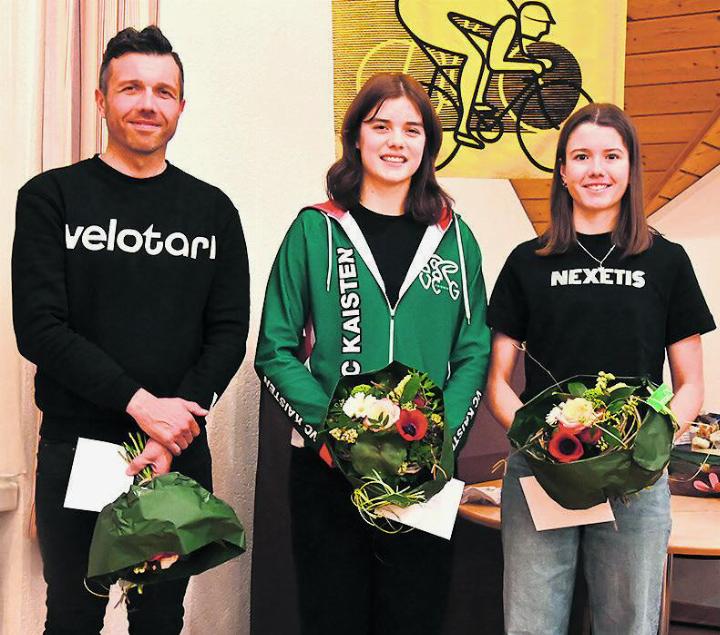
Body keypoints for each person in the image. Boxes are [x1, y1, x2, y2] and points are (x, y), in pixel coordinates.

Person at [12, 26, 249, 634]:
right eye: (131, 88)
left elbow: (227, 333)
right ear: (100, 99)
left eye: (163, 91)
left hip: (175, 449)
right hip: (81, 446)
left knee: (161, 615)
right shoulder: (51, 199)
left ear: (180, 107)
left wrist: (171, 433)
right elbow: (39, 329)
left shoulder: (212, 211)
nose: (148, 103)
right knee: (73, 611)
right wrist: (142, 405)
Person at [255, 72, 491, 635]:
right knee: (332, 618)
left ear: (427, 146)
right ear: (356, 138)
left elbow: (474, 353)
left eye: (412, 130)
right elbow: (275, 349)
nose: (396, 141)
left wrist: (440, 437)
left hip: (423, 470)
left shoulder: (456, 239)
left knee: (415, 618)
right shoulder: (314, 230)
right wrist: (334, 435)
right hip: (327, 469)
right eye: (380, 125)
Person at [486, 103, 715, 634]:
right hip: (544, 468)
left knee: (629, 623)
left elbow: (691, 383)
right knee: (531, 624)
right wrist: (537, 444)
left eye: (612, 156)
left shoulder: (667, 261)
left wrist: (646, 444)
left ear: (631, 168)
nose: (597, 169)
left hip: (635, 474)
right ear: (562, 171)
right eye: (582, 156)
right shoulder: (527, 260)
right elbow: (497, 379)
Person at [396, 0, 554, 148]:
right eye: (543, 26)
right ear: (531, 21)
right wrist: (533, 66)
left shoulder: (512, 21)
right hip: (421, 13)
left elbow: (516, 52)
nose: (544, 31)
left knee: (485, 50)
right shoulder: (509, 21)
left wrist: (535, 63)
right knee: (475, 57)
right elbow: (496, 63)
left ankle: (477, 101)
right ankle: (463, 127)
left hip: (425, 8)